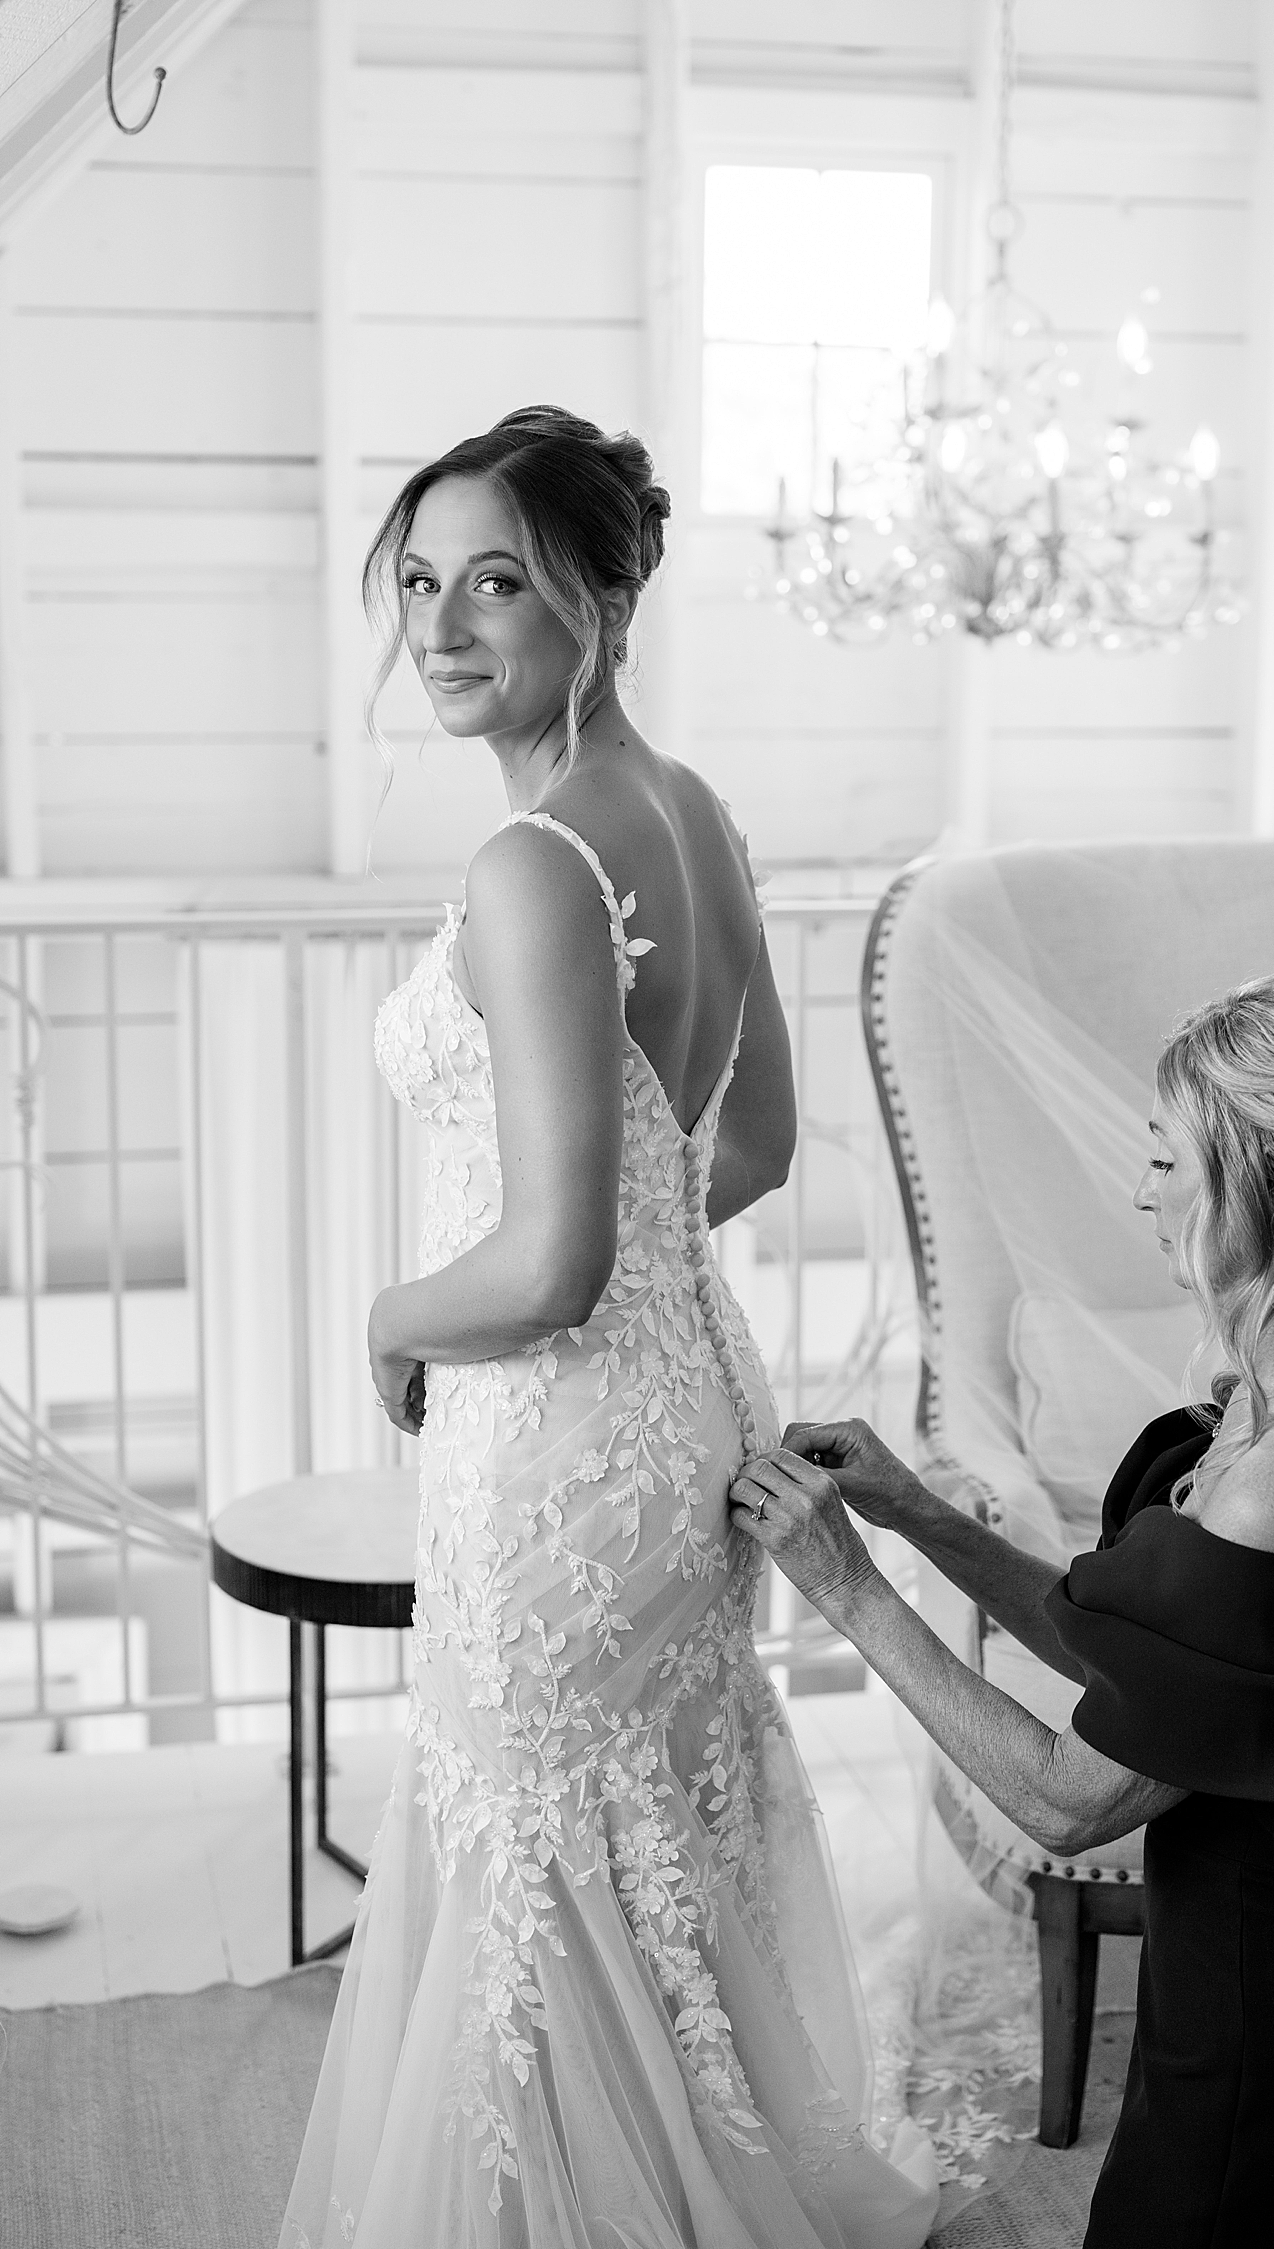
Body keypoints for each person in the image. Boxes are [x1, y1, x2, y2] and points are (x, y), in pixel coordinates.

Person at [278, 406, 938, 2249]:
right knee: (639, 1829)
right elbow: (755, 1140)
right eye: (418, 581)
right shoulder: (695, 811)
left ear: (606, 593)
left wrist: (398, 1313)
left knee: (541, 1852)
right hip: (684, 1406)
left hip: (563, 1440)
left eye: (499, 578)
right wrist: (634, 1268)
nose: (444, 623)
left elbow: (550, 1261)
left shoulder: (535, 863)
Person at [733, 974, 1274, 2248]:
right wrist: (917, 1511)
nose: (1141, 1190)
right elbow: (1131, 1650)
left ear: (1267, 1183)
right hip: (1272, 1959)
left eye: (1164, 1158)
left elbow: (1067, 1795)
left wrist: (849, 1588)